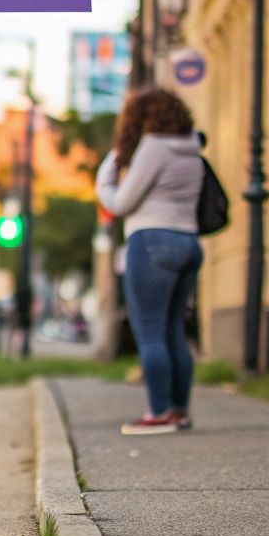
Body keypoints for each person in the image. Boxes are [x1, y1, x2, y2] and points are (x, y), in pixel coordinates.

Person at [96, 88, 205, 435]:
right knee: (174, 330)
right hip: (188, 242)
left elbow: (122, 202)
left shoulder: (154, 147)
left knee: (150, 332)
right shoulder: (192, 148)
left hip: (151, 242)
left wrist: (107, 174)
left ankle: (158, 413)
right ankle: (178, 411)